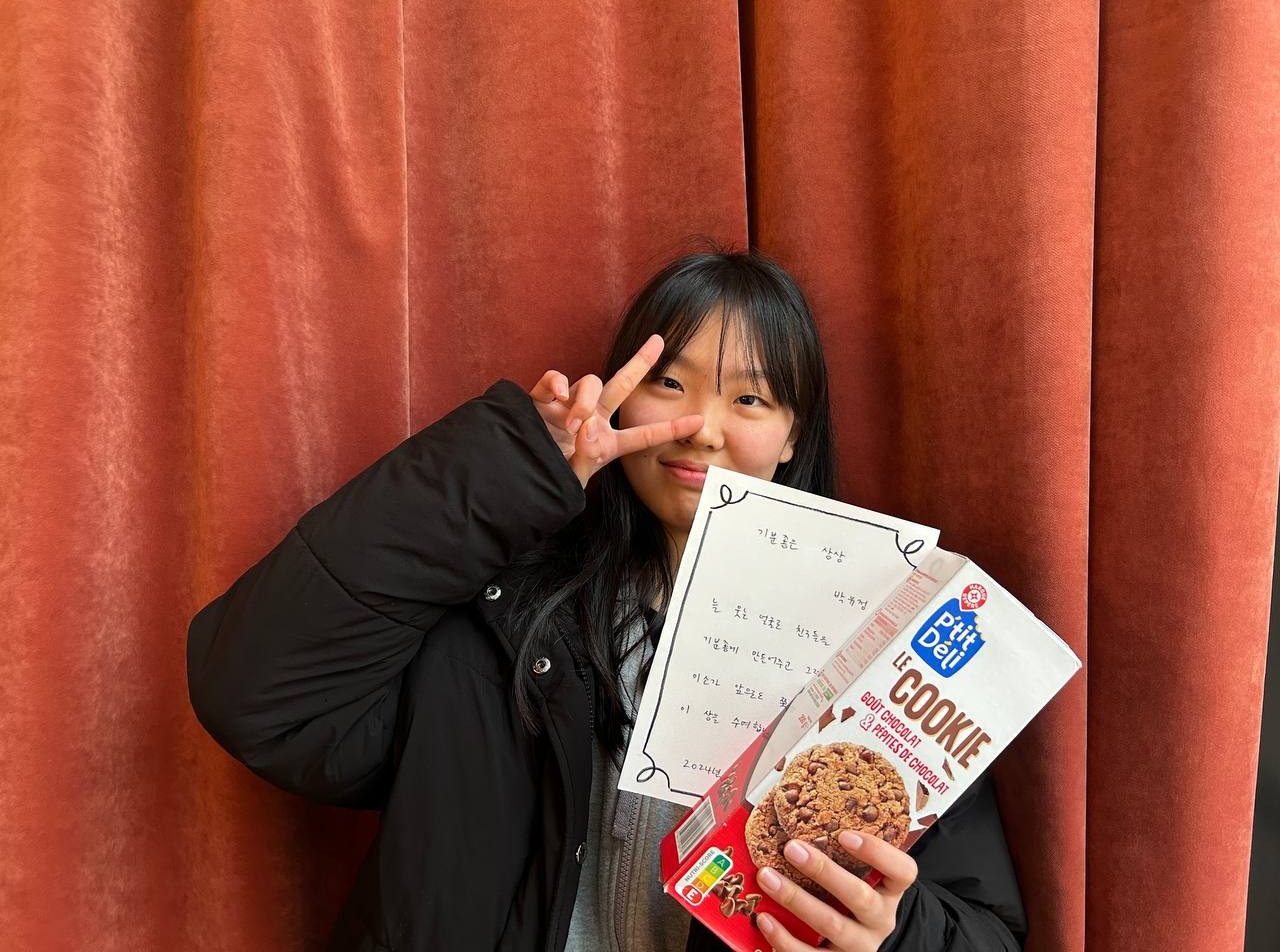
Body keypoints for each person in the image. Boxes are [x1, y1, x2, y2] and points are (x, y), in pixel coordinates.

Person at [187, 247, 1028, 952]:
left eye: (749, 398)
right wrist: (512, 470)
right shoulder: (498, 611)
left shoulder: (881, 652)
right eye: (669, 382)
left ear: (793, 435)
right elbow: (256, 695)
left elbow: (986, 931)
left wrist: (891, 932)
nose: (703, 428)